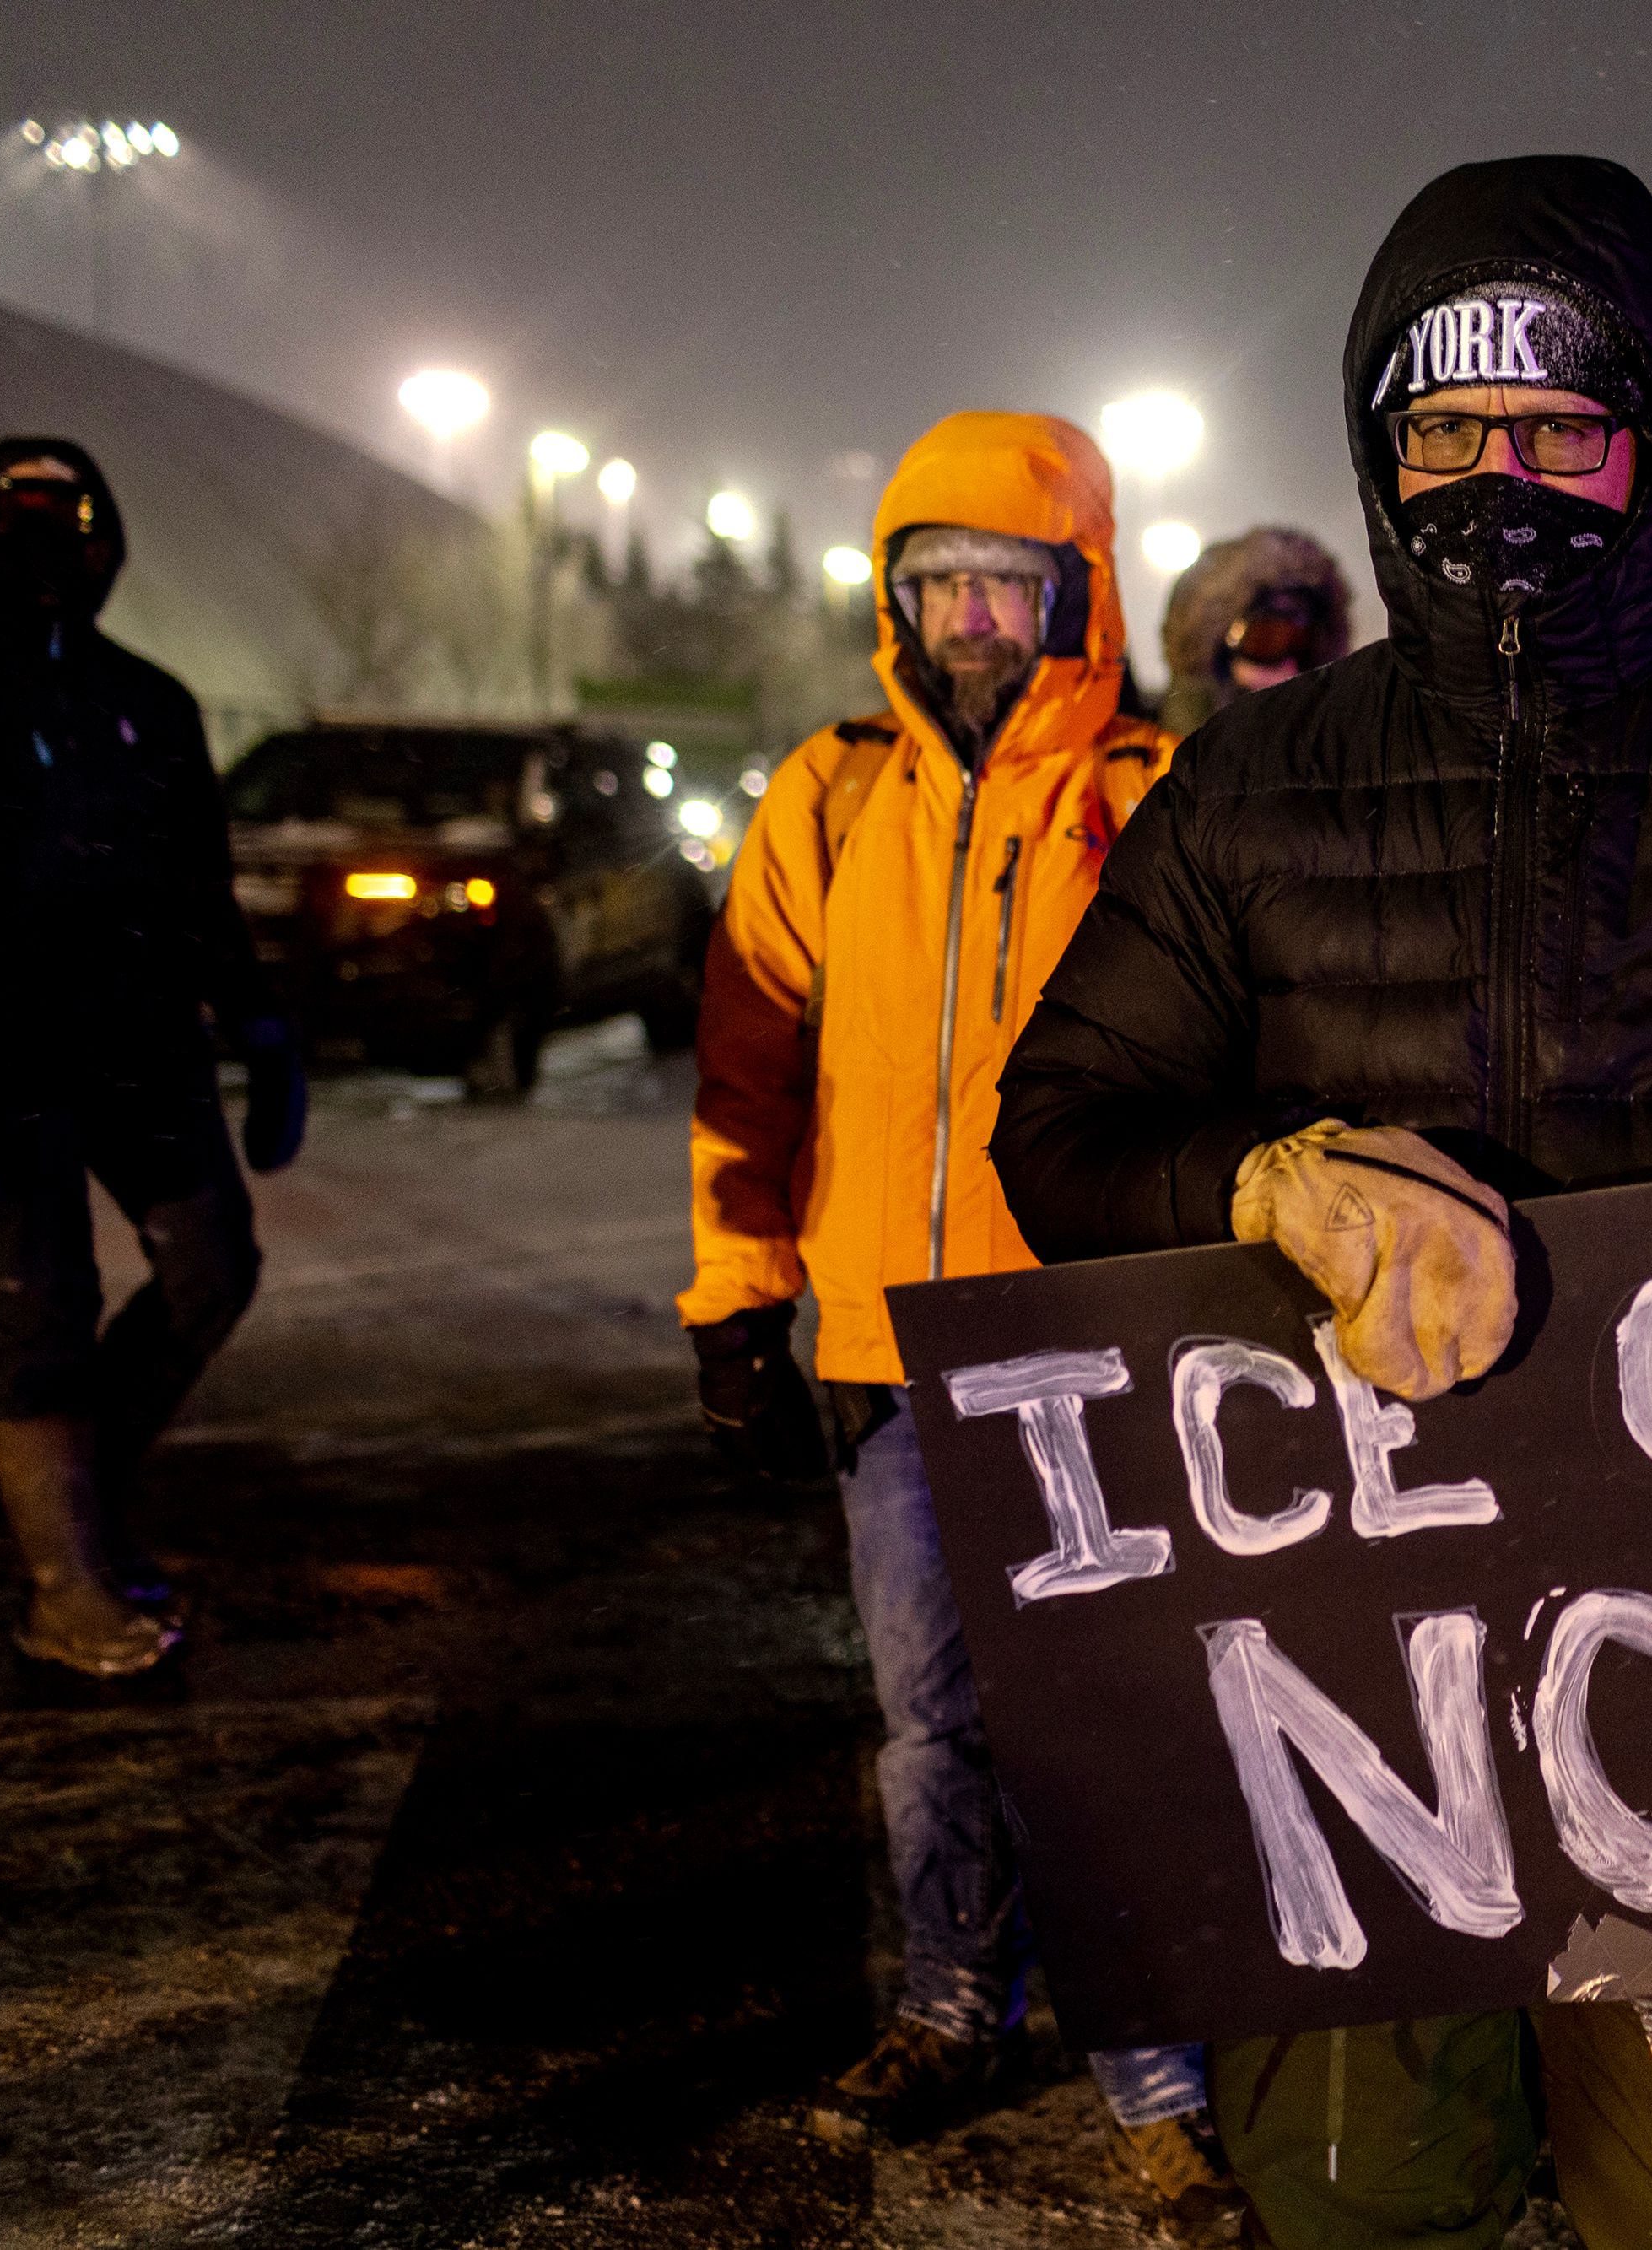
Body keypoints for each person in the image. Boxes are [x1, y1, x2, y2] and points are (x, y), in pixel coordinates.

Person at [992, 155, 1652, 2250]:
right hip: (1353, 1668)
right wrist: (1263, 1181)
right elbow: (1063, 1128)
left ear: (1650, 443)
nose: (1497, 477)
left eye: (1558, 429)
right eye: (1445, 430)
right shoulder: (1249, 789)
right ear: (1378, 445)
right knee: (1358, 2200)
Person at [678, 413, 1224, 2188]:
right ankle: (948, 1998)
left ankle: (1159, 2070)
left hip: (1094, 1347)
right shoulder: (827, 794)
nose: (973, 616)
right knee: (928, 1714)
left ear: (1080, 591)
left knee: (1110, 1709)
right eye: (940, 584)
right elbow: (747, 1067)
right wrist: (735, 1292)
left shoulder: (1152, 794)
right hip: (879, 1344)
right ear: (894, 601)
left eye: (1008, 580)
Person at [0, 438, 303, 1681]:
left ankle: (79, 1486)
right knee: (44, 1299)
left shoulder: (150, 700)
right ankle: (64, 1583)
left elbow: (201, 895)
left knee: (211, 1265)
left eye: (67, 528)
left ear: (105, 540)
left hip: (146, 1047)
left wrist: (261, 1026)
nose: (47, 555)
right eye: (20, 529)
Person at [1156, 526, 1353, 737]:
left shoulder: (1339, 748)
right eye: (1266, 640)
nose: (1289, 667)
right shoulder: (1154, 756)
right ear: (1220, 653)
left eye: (1303, 642)